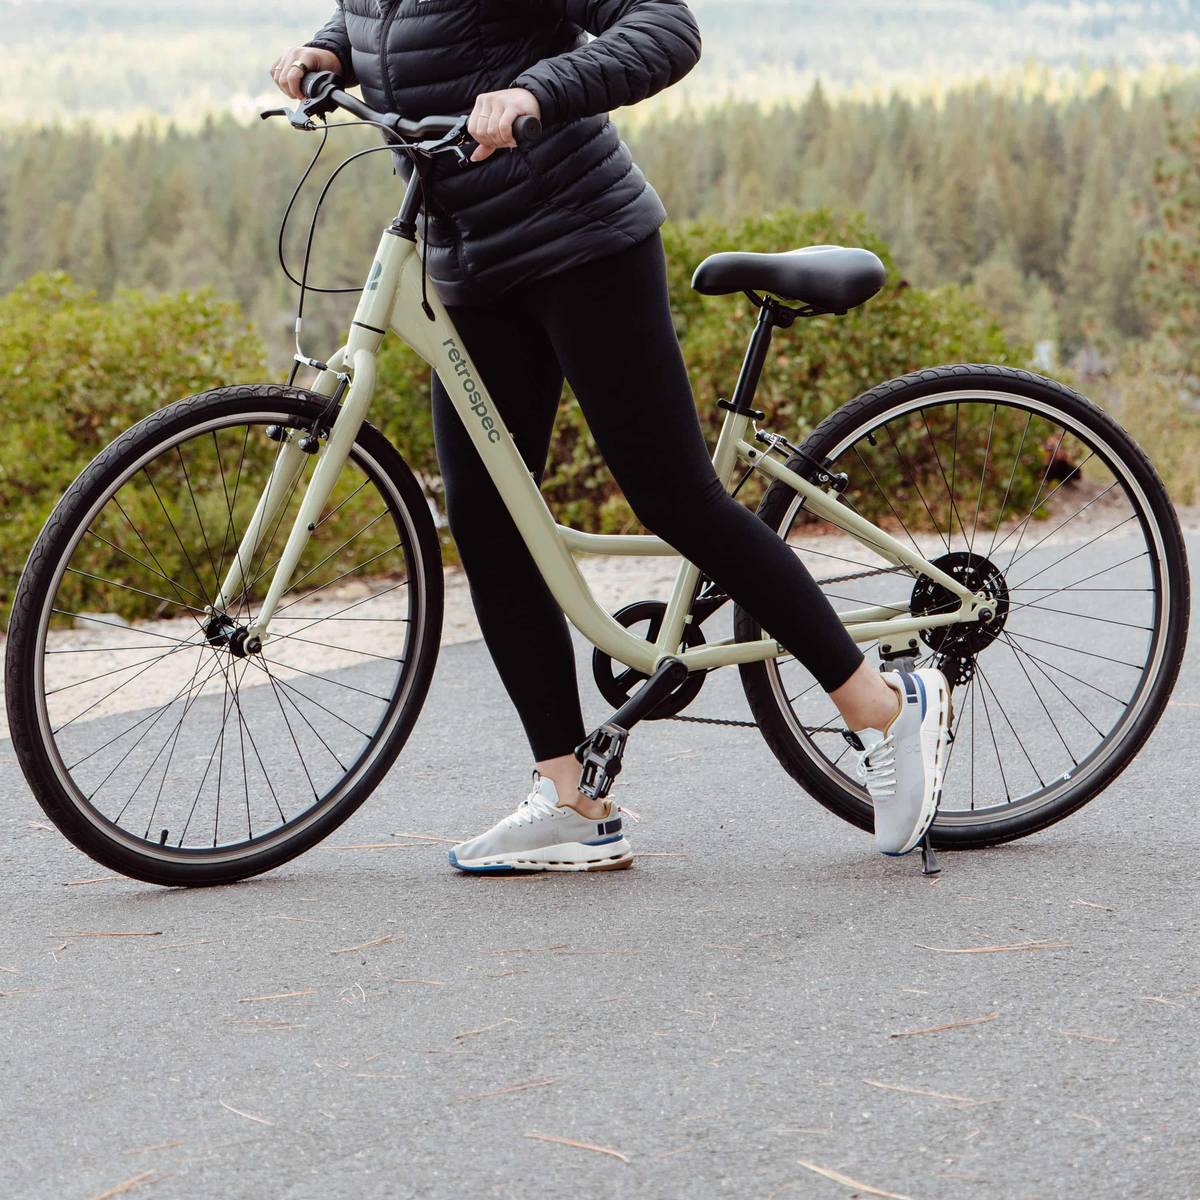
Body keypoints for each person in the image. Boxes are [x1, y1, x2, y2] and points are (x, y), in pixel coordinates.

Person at [271, 0, 951, 874]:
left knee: (671, 495)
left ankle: (883, 707)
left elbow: (666, 28)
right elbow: (390, 29)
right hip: (470, 260)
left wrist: (535, 91)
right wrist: (325, 50)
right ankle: (570, 801)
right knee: (488, 524)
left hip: (579, 241)